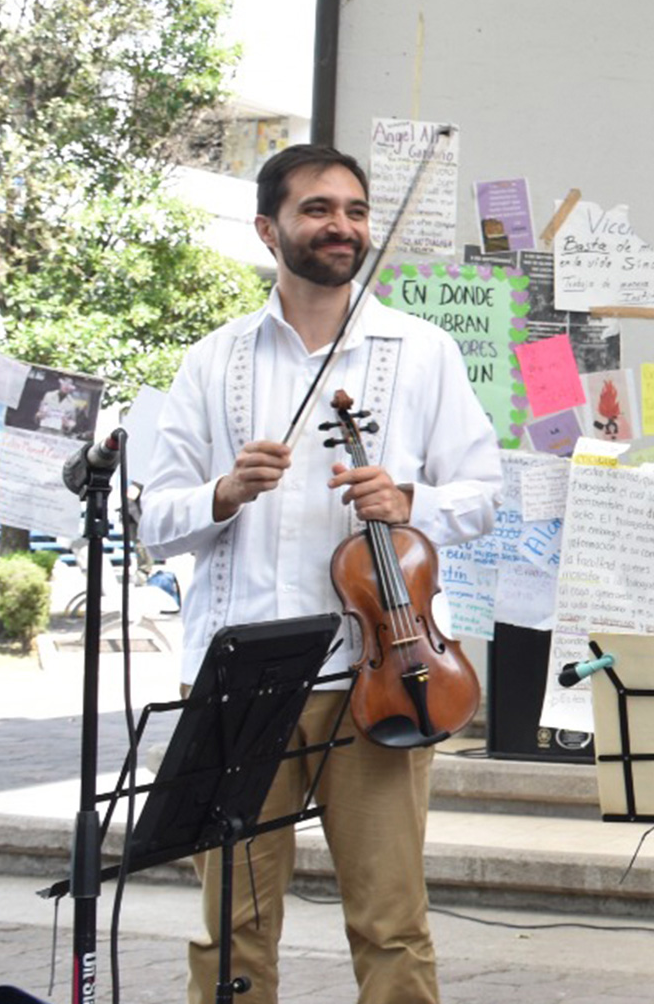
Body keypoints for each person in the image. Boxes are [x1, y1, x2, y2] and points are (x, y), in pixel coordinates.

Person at [142, 143, 502, 1004]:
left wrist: (409, 498)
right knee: (231, 924)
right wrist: (222, 493)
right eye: (316, 209)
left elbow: (485, 496)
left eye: (353, 210)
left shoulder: (421, 352)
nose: (341, 225)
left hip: (379, 680)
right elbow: (153, 520)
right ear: (269, 229)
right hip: (242, 681)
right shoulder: (213, 360)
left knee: (390, 920)